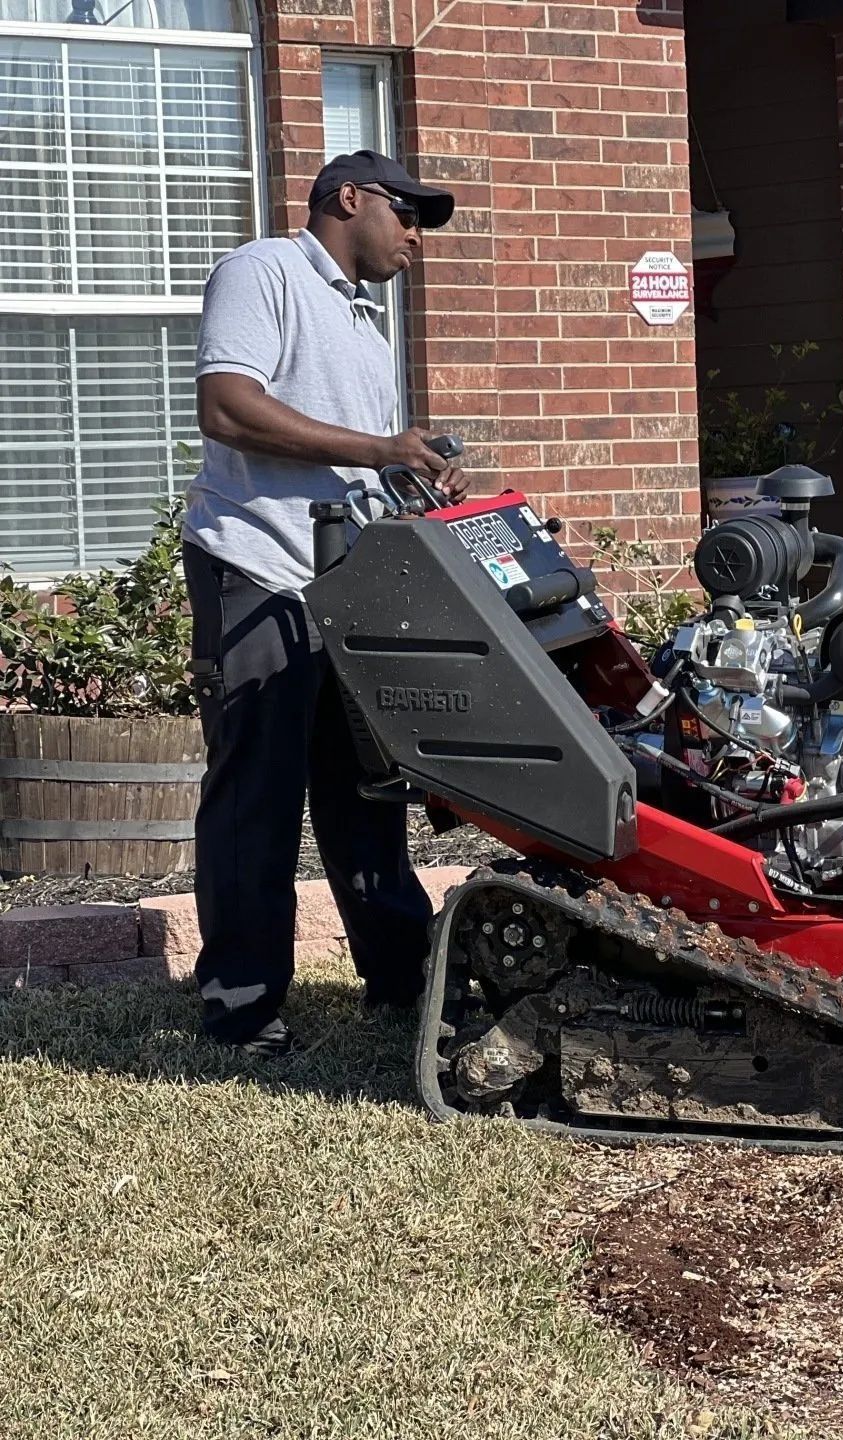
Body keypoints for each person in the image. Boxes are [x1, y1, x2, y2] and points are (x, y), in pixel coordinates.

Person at [181, 151, 469, 1057]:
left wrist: (406, 475)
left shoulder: (364, 321)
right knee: (256, 797)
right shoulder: (262, 271)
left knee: (367, 792)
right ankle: (242, 1006)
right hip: (254, 569)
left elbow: (362, 463)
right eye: (408, 213)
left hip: (343, 589)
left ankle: (402, 984)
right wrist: (382, 447)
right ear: (350, 198)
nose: (416, 235)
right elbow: (226, 408)